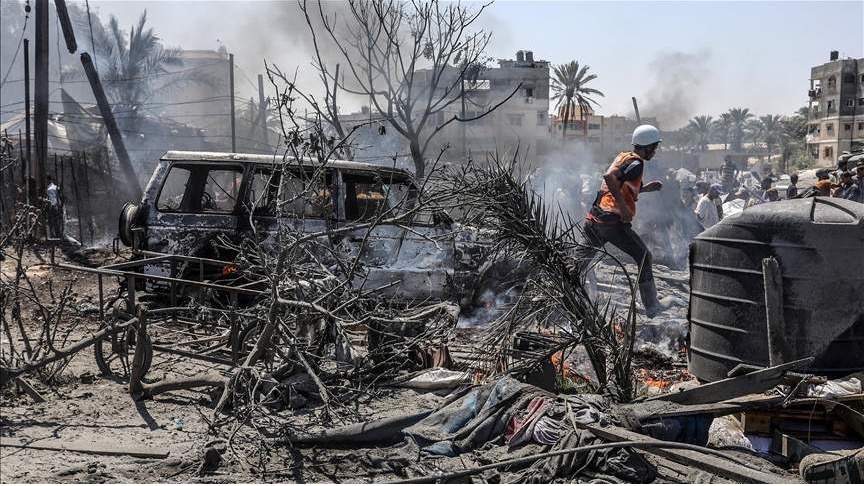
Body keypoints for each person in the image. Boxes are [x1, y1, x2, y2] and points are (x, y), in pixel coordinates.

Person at [583, 124, 667, 317]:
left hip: (596, 218)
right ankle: (652, 307)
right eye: (654, 148)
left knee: (580, 261)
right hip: (611, 222)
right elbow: (610, 177)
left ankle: (563, 292)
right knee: (645, 257)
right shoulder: (637, 163)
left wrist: (646, 188)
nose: (654, 152)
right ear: (646, 147)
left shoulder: (624, 157)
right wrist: (622, 207)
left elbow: (622, 185)